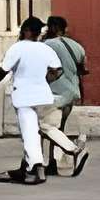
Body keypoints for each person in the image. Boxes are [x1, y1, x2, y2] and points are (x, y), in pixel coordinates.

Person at [0, 16, 84, 183]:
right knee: (44, 128)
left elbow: (2, 71)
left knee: (31, 133)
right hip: (46, 95)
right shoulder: (46, 49)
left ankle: (34, 169)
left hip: (26, 97)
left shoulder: (18, 48)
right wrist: (44, 80)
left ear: (25, 31)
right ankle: (40, 166)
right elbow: (58, 71)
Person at [42, 14, 88, 142]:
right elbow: (83, 69)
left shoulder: (45, 45)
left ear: (52, 27)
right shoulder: (77, 46)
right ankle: (54, 158)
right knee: (59, 129)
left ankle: (36, 158)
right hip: (71, 93)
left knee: (43, 128)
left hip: (52, 93)